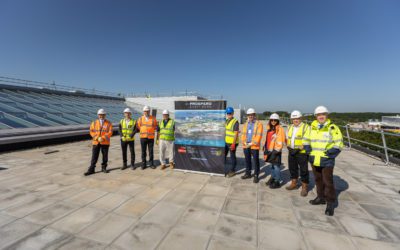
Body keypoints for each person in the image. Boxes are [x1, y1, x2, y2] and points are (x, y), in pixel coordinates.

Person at [304, 105, 344, 216]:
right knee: (317, 179)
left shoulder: (333, 128)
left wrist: (329, 153)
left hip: (327, 160)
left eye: (323, 114)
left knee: (328, 181)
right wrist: (308, 150)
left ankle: (330, 203)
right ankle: (320, 197)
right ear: (316, 116)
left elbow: (339, 143)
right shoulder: (311, 127)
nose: (321, 116)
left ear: (326, 115)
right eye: (319, 115)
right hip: (314, 158)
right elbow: (306, 139)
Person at [285, 110, 311, 196]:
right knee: (292, 168)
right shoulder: (290, 127)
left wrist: (301, 147)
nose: (296, 120)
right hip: (291, 151)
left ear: (301, 118)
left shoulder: (306, 127)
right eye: (294, 119)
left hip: (301, 152)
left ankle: (304, 187)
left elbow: (307, 140)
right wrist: (288, 146)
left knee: (303, 170)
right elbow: (287, 137)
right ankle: (294, 183)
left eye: (297, 118)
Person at [84, 109, 113, 176]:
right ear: (98, 115)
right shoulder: (94, 123)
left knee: (105, 156)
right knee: (94, 156)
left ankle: (104, 168)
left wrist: (102, 138)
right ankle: (91, 169)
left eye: (103, 114)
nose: (101, 116)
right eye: (100, 114)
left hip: (105, 142)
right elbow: (91, 131)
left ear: (105, 115)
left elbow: (110, 132)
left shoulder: (108, 123)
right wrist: (97, 138)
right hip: (96, 142)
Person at [241, 108, 263, 183]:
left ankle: (256, 175)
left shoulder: (259, 124)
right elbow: (243, 135)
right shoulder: (245, 124)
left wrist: (251, 143)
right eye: (249, 115)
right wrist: (244, 142)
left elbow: (259, 136)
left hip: (254, 146)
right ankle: (248, 173)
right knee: (247, 160)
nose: (250, 116)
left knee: (255, 161)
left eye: (252, 115)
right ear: (247, 115)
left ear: (254, 115)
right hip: (246, 145)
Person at [263, 113, 285, 189]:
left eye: (275, 120)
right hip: (269, 150)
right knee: (271, 166)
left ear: (277, 121)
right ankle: (272, 178)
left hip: (276, 151)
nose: (273, 121)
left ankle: (277, 181)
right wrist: (265, 147)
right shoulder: (270, 128)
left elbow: (281, 141)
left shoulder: (280, 129)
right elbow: (267, 139)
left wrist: (276, 151)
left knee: (276, 166)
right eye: (271, 120)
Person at [225, 107, 239, 177]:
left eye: (230, 113)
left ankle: (232, 171)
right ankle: (222, 168)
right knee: (223, 155)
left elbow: (236, 133)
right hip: (226, 141)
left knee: (232, 157)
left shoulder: (235, 121)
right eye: (227, 113)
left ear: (233, 113)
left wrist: (233, 144)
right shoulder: (227, 121)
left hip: (232, 143)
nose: (229, 114)